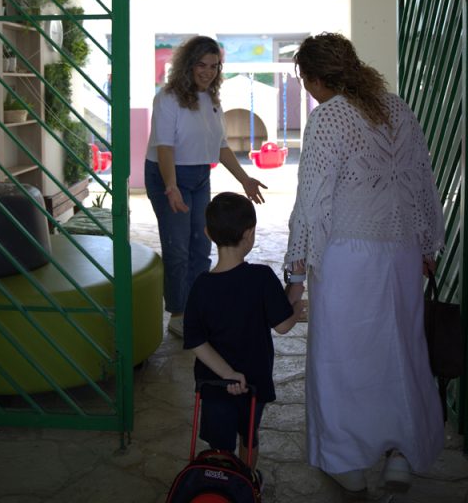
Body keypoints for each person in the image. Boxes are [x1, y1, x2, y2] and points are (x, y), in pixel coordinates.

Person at [283, 32, 446, 493]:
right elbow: (420, 180)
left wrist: (296, 273)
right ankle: (401, 455)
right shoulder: (398, 108)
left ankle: (347, 463)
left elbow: (312, 201)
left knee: (343, 358)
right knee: (401, 351)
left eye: (306, 80)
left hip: (347, 258)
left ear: (315, 78)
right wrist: (426, 244)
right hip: (401, 254)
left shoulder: (328, 117)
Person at [144, 35, 268, 338]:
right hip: (167, 174)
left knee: (201, 245)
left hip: (199, 176)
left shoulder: (212, 100)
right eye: (202, 65)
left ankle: (197, 307)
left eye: (214, 66)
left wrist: (245, 179)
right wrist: (171, 186)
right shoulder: (167, 98)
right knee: (178, 247)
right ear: (188, 65)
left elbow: (221, 146)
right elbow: (165, 147)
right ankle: (178, 313)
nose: (208, 71)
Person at [183, 191, 306, 477]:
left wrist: (226, 373)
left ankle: (221, 484)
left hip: (214, 383)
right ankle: (246, 482)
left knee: (219, 446)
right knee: (249, 436)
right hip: (252, 380)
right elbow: (282, 323)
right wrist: (298, 299)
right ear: (249, 234)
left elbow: (196, 341)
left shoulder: (200, 286)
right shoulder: (261, 277)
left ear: (207, 233)